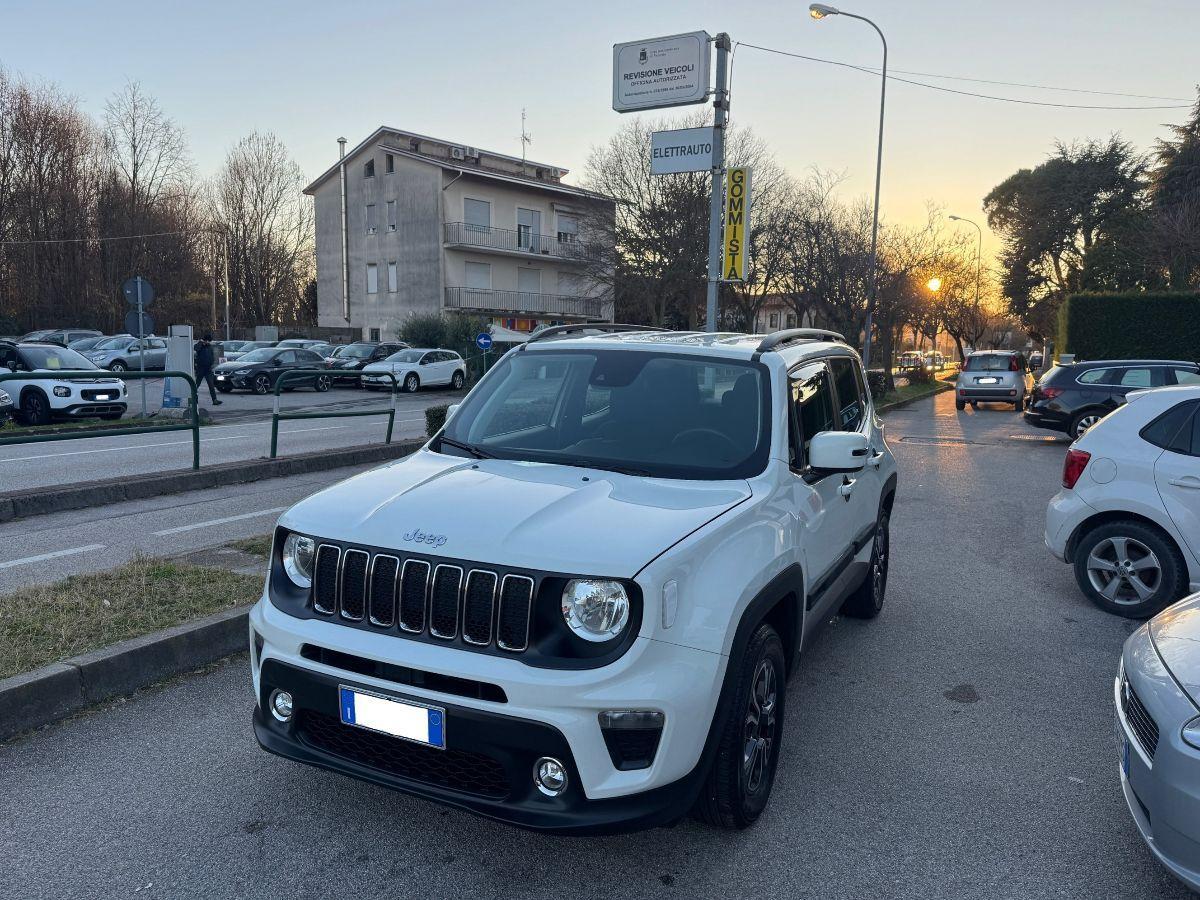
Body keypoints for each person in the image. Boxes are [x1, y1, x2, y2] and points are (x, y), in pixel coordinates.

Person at [193, 333, 222, 406]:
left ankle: (214, 400)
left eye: (209, 341)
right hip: (201, 368)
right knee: (197, 385)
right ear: (205, 340)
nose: (209, 342)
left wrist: (211, 362)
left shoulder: (209, 346)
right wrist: (201, 342)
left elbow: (211, 355)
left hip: (208, 369)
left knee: (211, 385)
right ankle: (194, 399)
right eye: (208, 341)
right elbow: (196, 348)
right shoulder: (199, 345)